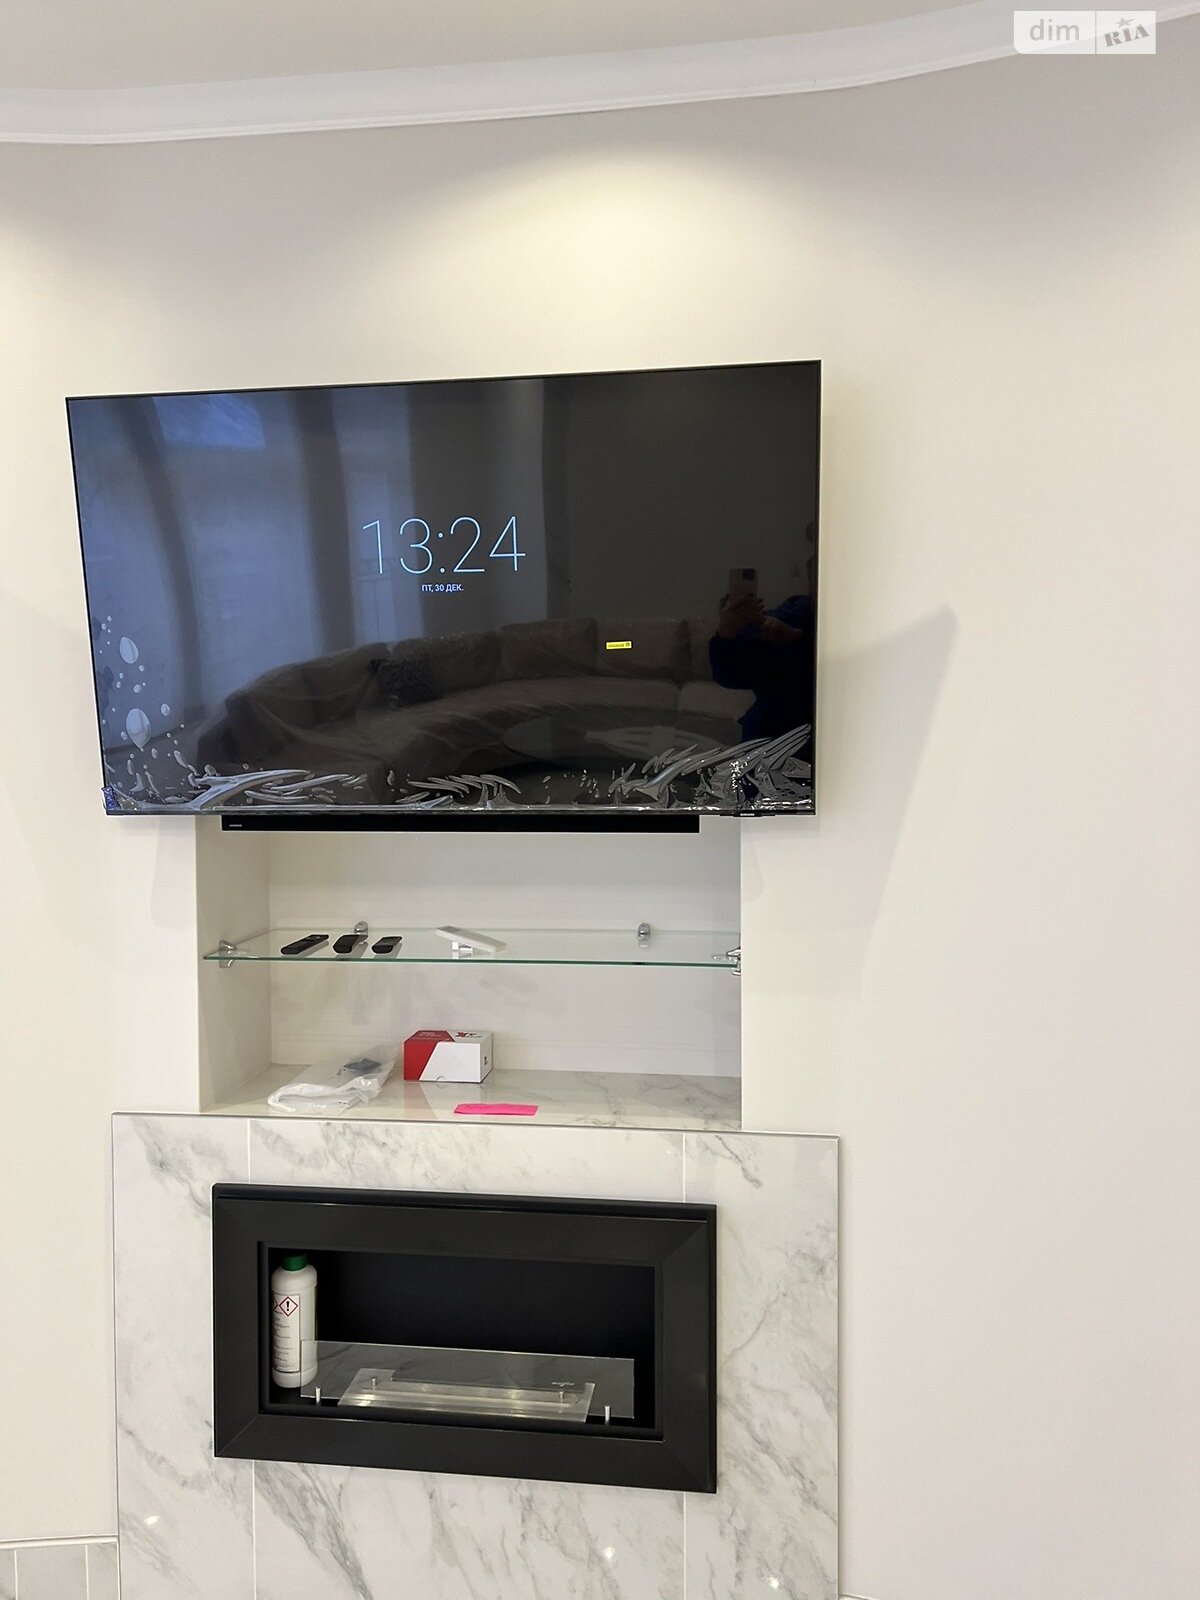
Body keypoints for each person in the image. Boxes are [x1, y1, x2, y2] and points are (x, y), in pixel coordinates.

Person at [708, 586, 814, 742]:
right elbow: (729, 676)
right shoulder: (794, 611)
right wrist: (727, 632)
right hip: (772, 734)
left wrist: (796, 637)